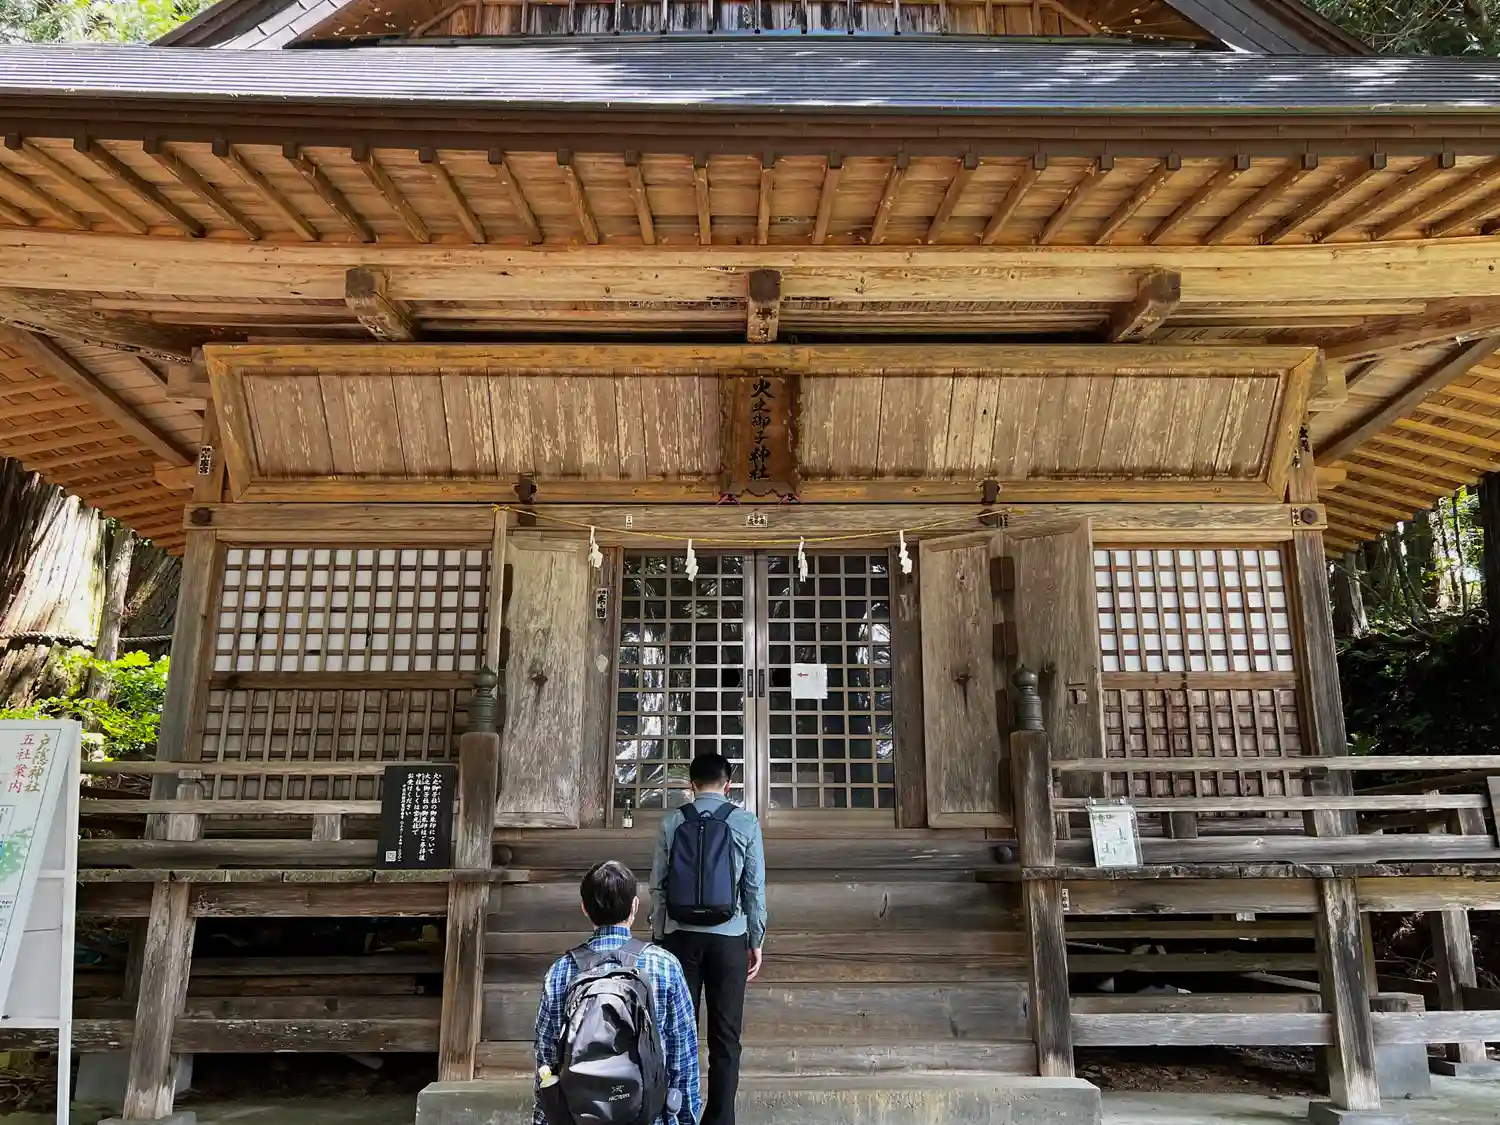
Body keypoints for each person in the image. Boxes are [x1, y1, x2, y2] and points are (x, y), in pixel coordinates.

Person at [532, 860, 700, 1125]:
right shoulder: (664, 965)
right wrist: (686, 1117)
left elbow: (546, 1058)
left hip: (579, 1116)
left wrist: (544, 1118)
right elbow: (683, 1057)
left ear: (584, 908)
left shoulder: (561, 971)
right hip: (649, 1116)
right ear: (635, 906)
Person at [650, 753, 767, 1125]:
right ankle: (720, 1120)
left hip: (680, 939)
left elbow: (658, 887)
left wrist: (659, 936)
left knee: (676, 1034)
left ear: (692, 785)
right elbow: (754, 888)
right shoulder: (745, 822)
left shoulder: (672, 823)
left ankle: (677, 1115)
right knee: (726, 1037)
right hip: (729, 940)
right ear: (727, 784)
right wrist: (756, 940)